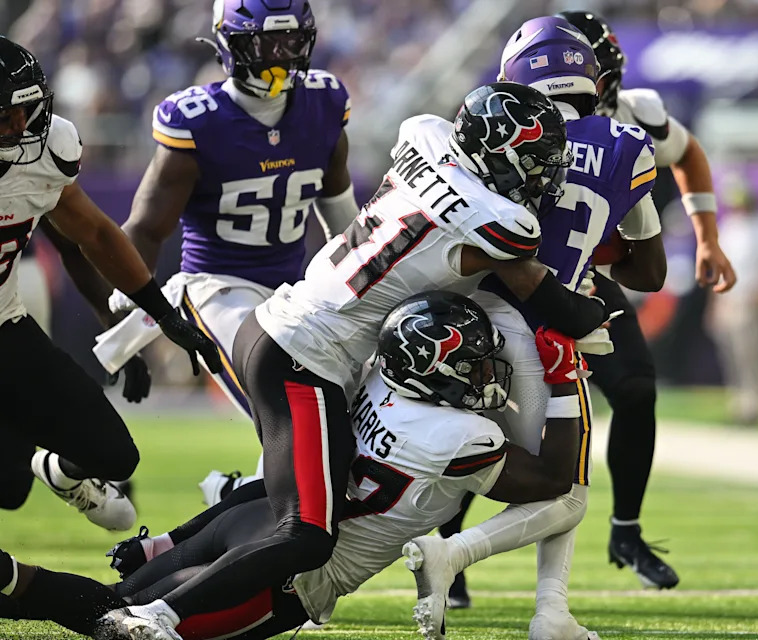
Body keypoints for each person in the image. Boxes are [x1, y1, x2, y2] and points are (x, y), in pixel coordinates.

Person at [97, 81, 615, 637]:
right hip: (310, 354)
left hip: (284, 321)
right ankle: (158, 613)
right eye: (535, 161)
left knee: (307, 481)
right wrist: (599, 312)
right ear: (502, 152)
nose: (542, 176)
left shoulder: (426, 137)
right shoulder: (497, 221)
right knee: (305, 530)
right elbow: (557, 304)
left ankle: (156, 558)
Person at [0, 292, 586, 640]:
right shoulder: (463, 435)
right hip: (287, 579)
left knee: (108, 606)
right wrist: (563, 382)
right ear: (435, 370)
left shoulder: (374, 380)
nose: (487, 377)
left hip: (254, 515)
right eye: (477, 366)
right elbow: (556, 480)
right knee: (118, 621)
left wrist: (174, 538)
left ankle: (9, 579)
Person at [426, 17, 662, 637]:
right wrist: (578, 257)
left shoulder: (494, 128)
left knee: (431, 460)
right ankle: (529, 597)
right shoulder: (626, 143)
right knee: (568, 489)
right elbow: (651, 270)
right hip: (551, 338)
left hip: (463, 326)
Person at [86, 0, 360, 505]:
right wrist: (126, 311)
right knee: (291, 405)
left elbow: (343, 215)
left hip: (288, 292)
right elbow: (146, 229)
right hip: (215, 290)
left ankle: (238, 497)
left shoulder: (323, 102)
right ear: (230, 45)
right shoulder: (199, 121)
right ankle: (239, 517)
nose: (279, 59)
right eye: (264, 45)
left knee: (337, 413)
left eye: (291, 43)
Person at [0, 34, 220, 568]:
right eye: (2, 117)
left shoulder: (48, 149)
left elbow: (92, 235)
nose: (15, 129)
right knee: (5, 487)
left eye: (21, 113)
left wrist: (158, 316)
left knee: (112, 454)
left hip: (5, 327)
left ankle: (52, 467)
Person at [554, 9, 735, 588]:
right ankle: (448, 547)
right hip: (522, 275)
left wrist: (707, 237)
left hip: (593, 273)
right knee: (491, 406)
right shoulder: (526, 120)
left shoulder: (636, 116)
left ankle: (626, 530)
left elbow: (688, 153)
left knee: (634, 387)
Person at [708, 176, 758, 425]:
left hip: (756, 300)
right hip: (731, 300)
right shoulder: (730, 225)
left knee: (755, 355)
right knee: (732, 354)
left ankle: (757, 405)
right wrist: (715, 302)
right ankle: (739, 404)